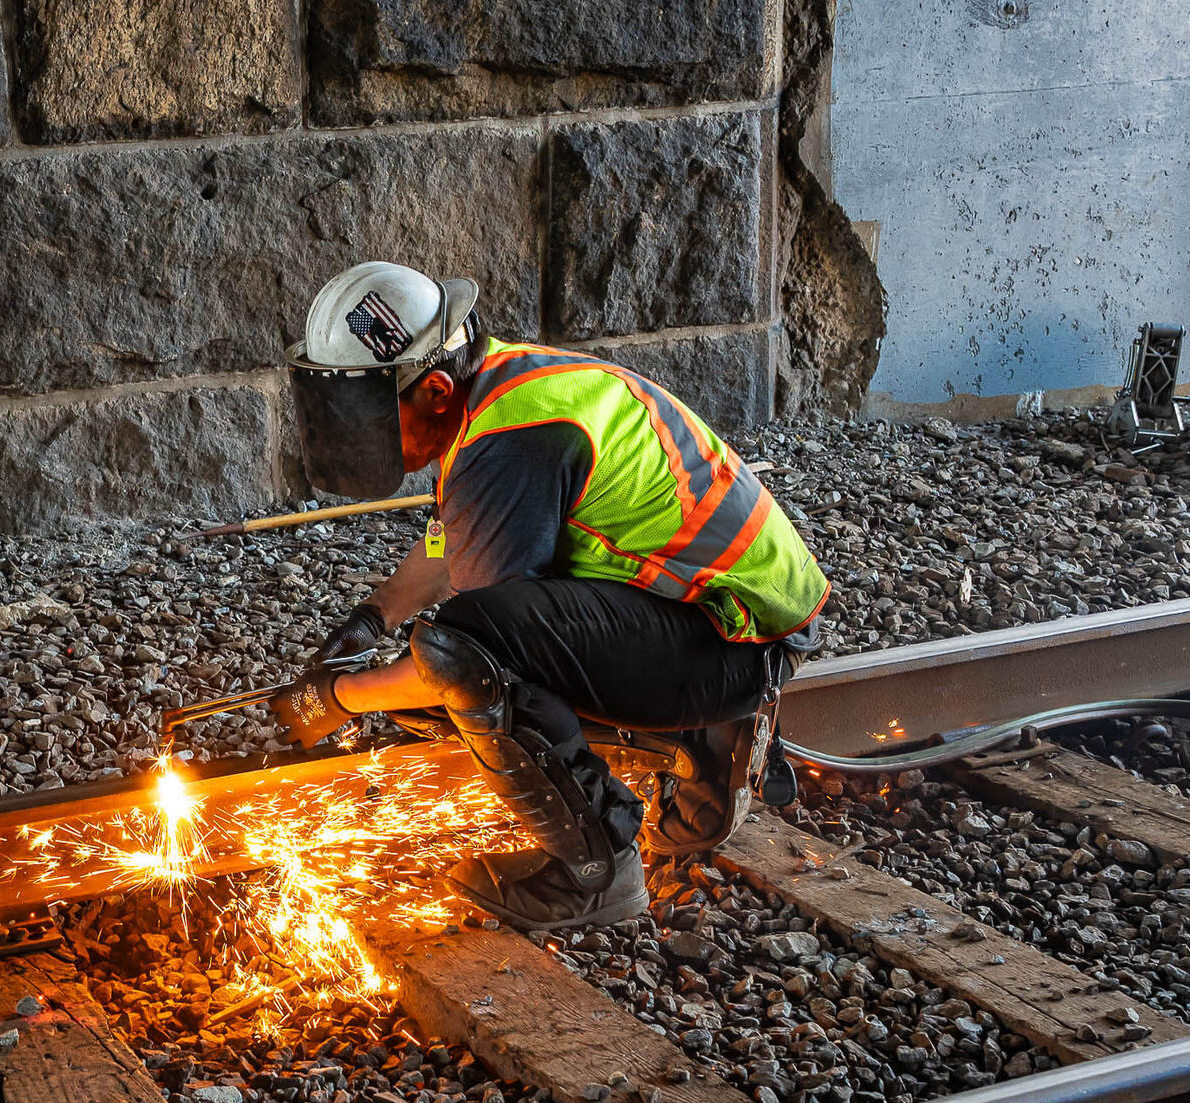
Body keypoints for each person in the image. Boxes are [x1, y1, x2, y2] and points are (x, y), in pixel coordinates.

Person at [270, 261, 831, 933]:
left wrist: (336, 698)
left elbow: (480, 650)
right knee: (456, 680)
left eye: (367, 415)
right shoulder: (504, 387)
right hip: (724, 619)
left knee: (465, 663)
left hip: (730, 642)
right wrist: (373, 618)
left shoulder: (509, 442)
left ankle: (595, 871)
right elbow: (456, 536)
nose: (359, 432)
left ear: (436, 391)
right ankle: (699, 739)